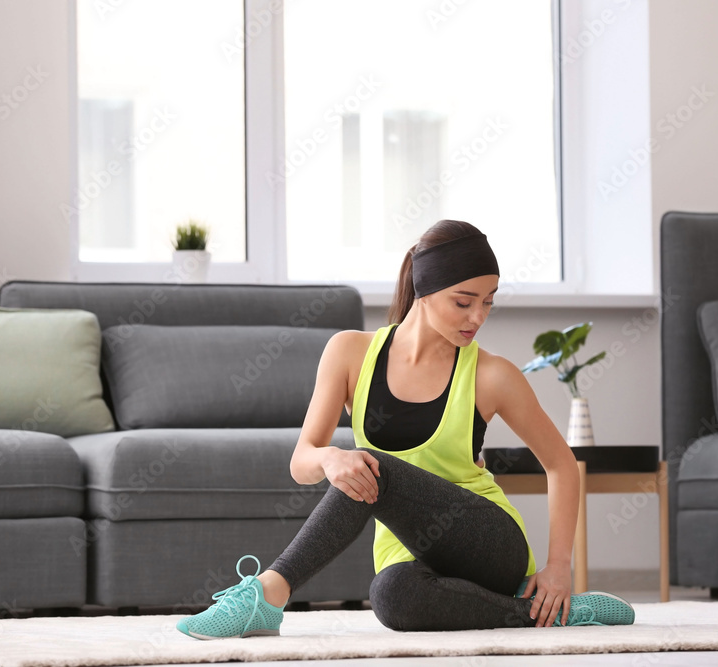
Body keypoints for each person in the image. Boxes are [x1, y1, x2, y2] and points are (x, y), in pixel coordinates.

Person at [176, 220, 635, 639]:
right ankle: (545, 614)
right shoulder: (349, 353)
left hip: (489, 544)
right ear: (424, 288)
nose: (477, 318)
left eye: (488, 304)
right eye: (464, 302)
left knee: (375, 469)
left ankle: (268, 594)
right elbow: (303, 463)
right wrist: (332, 458)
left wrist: (557, 567)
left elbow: (561, 465)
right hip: (409, 558)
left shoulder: (491, 375)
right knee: (391, 597)